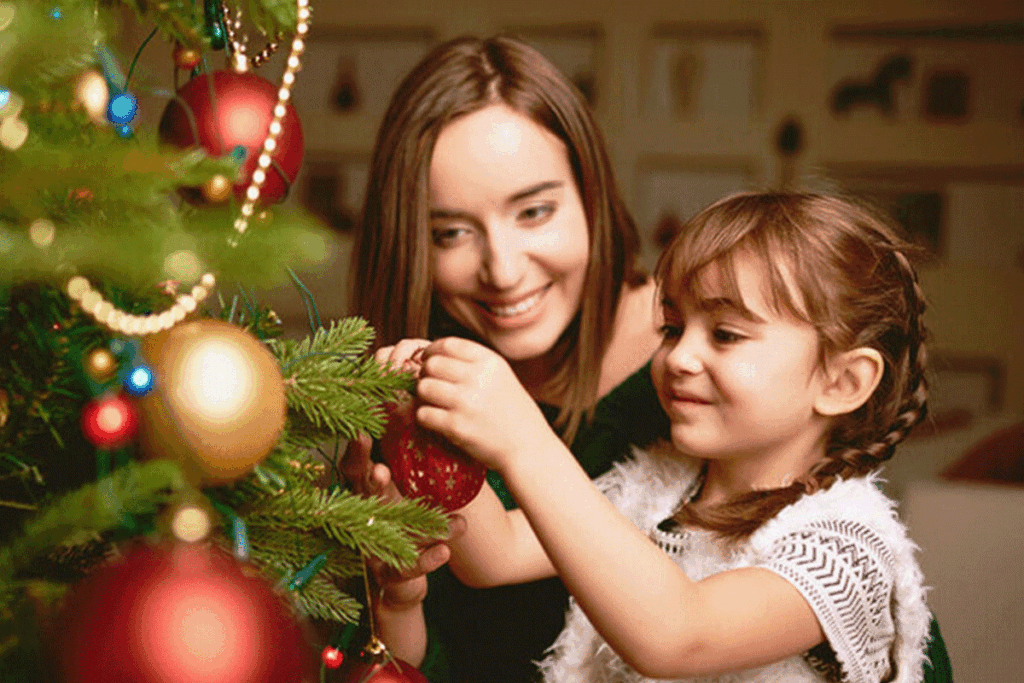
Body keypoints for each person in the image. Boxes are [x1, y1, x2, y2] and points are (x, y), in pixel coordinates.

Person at [397, 191, 940, 682]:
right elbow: (493, 556)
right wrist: (424, 424)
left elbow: (677, 635)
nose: (679, 358)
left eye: (725, 335)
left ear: (843, 382)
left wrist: (524, 440)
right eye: (673, 329)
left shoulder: (847, 547)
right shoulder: (655, 486)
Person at [343, 34, 664, 682]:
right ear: (411, 242)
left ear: (591, 196)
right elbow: (400, 664)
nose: (504, 269)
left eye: (534, 211)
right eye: (452, 232)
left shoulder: (696, 357)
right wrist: (395, 592)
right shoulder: (409, 387)